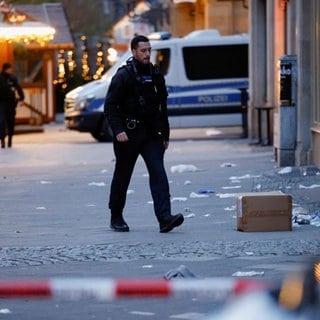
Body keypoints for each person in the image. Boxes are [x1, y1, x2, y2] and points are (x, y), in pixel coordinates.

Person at [104, 35, 184, 233]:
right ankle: (116, 216)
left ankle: (165, 218)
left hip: (151, 134)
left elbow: (162, 106)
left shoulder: (155, 74)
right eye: (143, 50)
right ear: (133, 52)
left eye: (149, 50)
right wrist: (118, 130)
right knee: (123, 176)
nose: (147, 54)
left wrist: (165, 135)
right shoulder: (123, 76)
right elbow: (110, 105)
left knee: (159, 173)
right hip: (129, 134)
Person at [0, 62, 24, 148]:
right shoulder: (1, 78)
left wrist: (22, 97)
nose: (11, 70)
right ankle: (2, 139)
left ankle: (10, 139)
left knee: (11, 121)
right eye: (9, 68)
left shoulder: (12, 78)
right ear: (5, 69)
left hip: (11, 103)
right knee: (2, 121)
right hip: (2, 102)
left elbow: (18, 88)